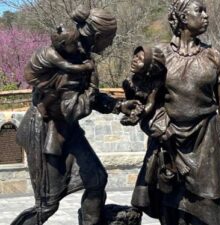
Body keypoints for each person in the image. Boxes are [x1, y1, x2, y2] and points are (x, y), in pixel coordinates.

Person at [12, 5, 141, 225]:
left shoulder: (82, 56)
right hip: (45, 132)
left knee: (96, 180)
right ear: (98, 36)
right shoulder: (70, 60)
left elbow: (88, 97)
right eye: (109, 39)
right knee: (47, 205)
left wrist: (119, 105)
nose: (110, 44)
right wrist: (91, 91)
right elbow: (71, 109)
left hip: (65, 130)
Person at [131, 1, 220, 224]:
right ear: (182, 18)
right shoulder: (160, 54)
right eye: (199, 10)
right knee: (171, 202)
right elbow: (145, 97)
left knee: (210, 201)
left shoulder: (213, 56)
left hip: (205, 138)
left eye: (205, 11)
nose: (205, 15)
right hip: (171, 141)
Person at [24, 26, 94, 120]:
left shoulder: (54, 50)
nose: (78, 45)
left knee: (60, 81)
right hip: (35, 77)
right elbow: (68, 67)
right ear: (63, 44)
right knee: (57, 88)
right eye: (74, 43)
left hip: (40, 72)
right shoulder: (51, 54)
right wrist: (86, 66)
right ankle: (43, 104)